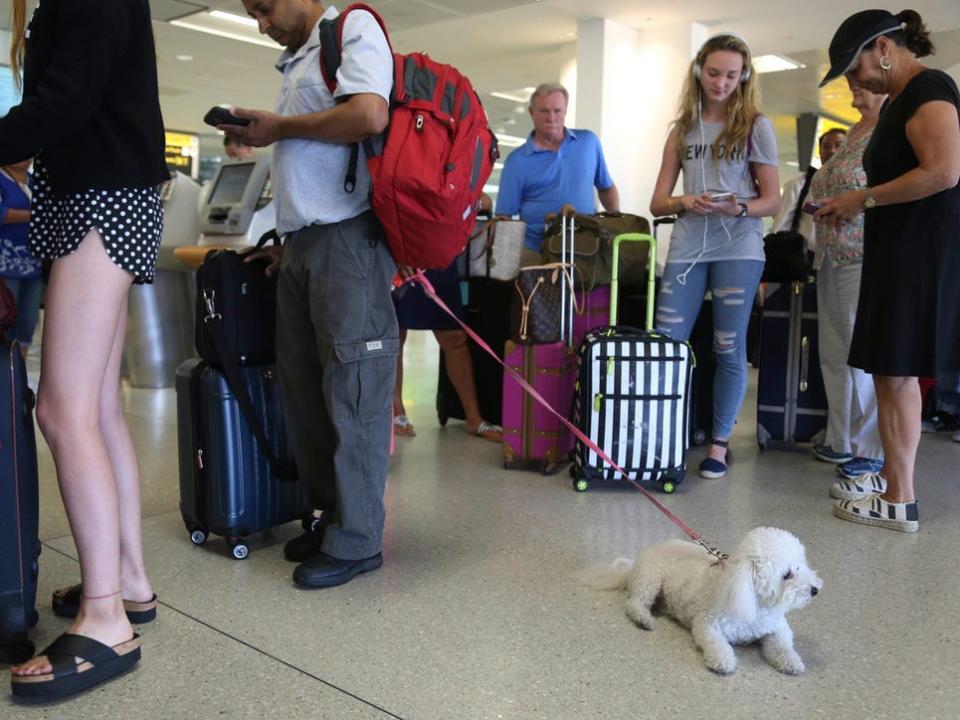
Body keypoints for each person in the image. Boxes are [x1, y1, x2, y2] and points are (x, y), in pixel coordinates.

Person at [0, 0, 168, 701]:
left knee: (64, 410)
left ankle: (105, 621)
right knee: (95, 405)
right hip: (99, 194)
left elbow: (65, 102)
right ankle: (127, 582)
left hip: (104, 197)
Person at [226, 0, 397, 585]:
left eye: (263, 7)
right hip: (304, 244)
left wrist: (280, 128)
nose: (261, 22)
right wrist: (288, 241)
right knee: (305, 393)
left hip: (350, 240)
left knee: (353, 392)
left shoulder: (352, 28)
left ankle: (359, 540)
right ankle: (330, 517)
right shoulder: (297, 59)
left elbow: (370, 115)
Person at [817, 9, 960, 532]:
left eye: (854, 70)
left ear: (883, 46)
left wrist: (863, 198)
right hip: (896, 249)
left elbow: (945, 170)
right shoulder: (902, 101)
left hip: (918, 252)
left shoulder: (930, 88)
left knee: (896, 371)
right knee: (888, 370)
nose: (854, 82)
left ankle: (899, 498)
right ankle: (893, 482)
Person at [649, 33, 781, 480]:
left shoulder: (755, 126)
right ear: (698, 72)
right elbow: (657, 202)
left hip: (739, 248)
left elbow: (773, 201)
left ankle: (719, 444)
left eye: (730, 74)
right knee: (667, 346)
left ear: (743, 75)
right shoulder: (682, 129)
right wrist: (685, 202)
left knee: (728, 347)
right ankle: (663, 435)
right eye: (713, 73)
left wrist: (736, 206)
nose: (721, 82)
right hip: (688, 248)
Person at [808, 83, 887, 480]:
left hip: (862, 254)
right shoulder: (854, 130)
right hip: (830, 255)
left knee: (863, 357)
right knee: (834, 355)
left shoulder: (888, 128)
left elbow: (886, 191)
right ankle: (841, 440)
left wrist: (856, 202)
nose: (854, 89)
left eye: (861, 82)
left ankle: (871, 447)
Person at [392, 194, 502, 442]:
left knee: (454, 336)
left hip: (439, 244)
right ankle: (396, 411)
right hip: (402, 238)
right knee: (394, 334)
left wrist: (474, 198)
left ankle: (473, 418)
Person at [496, 83, 619, 267]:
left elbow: (606, 187)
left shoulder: (588, 143)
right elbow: (504, 218)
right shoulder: (517, 161)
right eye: (544, 111)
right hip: (537, 249)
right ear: (531, 112)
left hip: (586, 245)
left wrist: (615, 224)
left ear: (565, 111)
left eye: (557, 111)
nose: (551, 117)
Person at [770, 128, 847, 255]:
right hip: (806, 259)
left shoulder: (859, 187)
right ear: (820, 152)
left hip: (846, 260)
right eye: (826, 147)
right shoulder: (799, 186)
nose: (832, 150)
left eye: (838, 146)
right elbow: (780, 226)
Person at [0, 158, 43, 358]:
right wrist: (35, 215)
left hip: (35, 265)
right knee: (6, 318)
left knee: (28, 321)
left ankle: (19, 372)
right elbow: (3, 214)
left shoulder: (35, 180)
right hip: (6, 266)